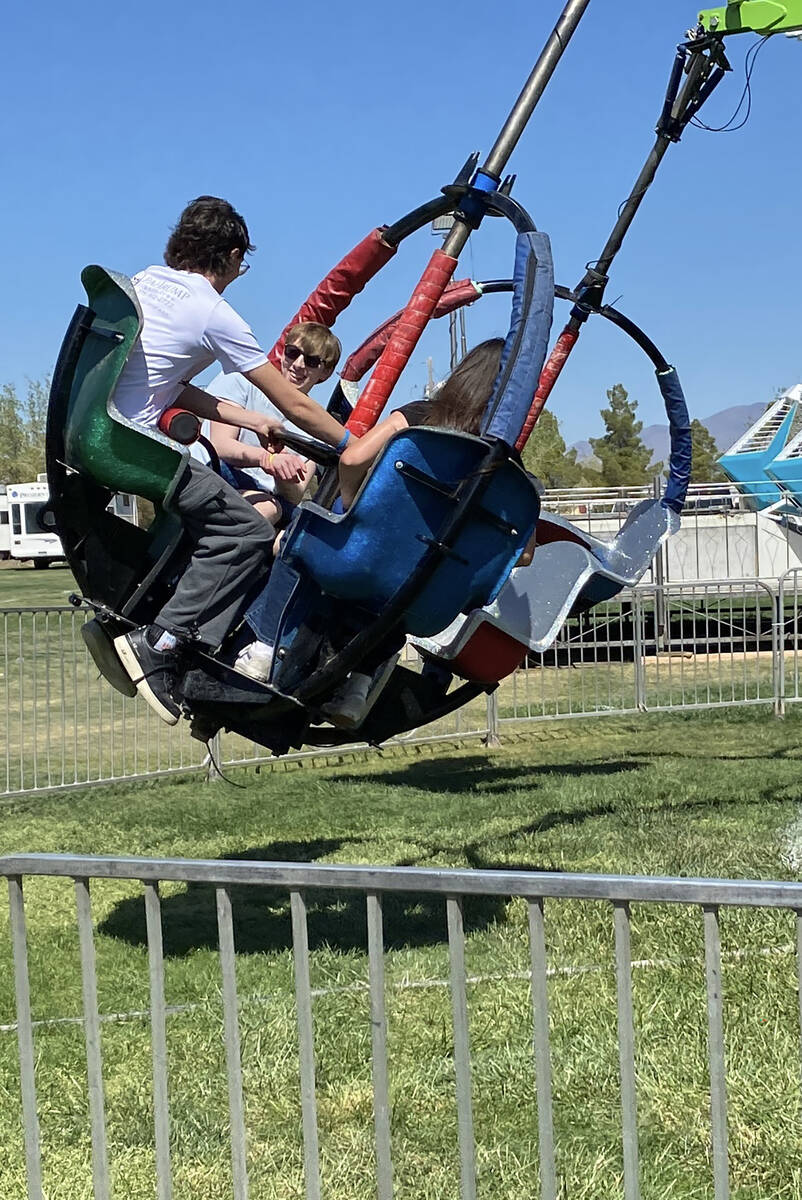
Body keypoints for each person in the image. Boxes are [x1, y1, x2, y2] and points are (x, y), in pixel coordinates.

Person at [111, 196, 352, 725]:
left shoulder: (143, 283)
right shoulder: (211, 311)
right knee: (247, 531)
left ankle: (193, 648)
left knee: (246, 521)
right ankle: (160, 642)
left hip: (102, 433)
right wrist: (354, 444)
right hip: (138, 447)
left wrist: (252, 422)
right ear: (233, 254)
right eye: (243, 264)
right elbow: (293, 405)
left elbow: (173, 386)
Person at [204, 321, 342, 524]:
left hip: (272, 497)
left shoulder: (319, 427)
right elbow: (220, 445)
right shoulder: (244, 381)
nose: (298, 364)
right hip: (219, 471)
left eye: (312, 361)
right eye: (293, 353)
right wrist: (269, 460)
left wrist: (282, 473)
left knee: (300, 527)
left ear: (326, 372)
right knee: (268, 509)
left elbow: (295, 495)